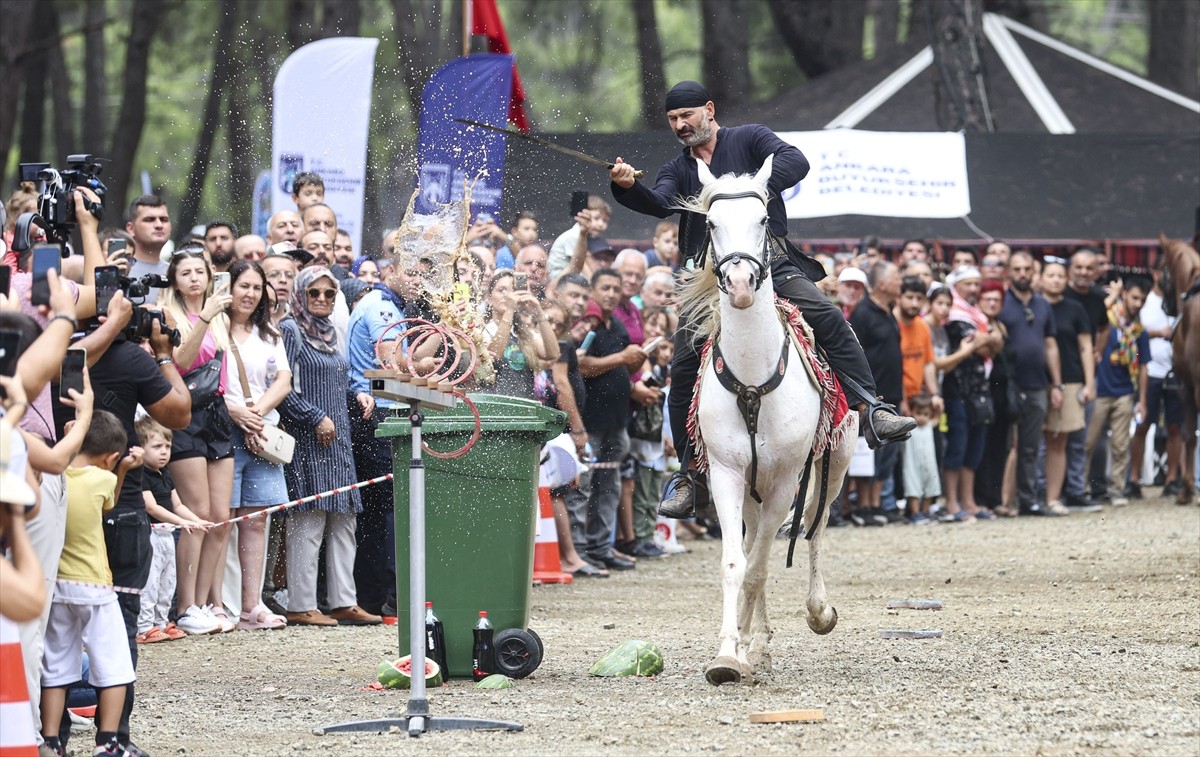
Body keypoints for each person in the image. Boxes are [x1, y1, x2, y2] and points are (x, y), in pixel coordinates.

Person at [608, 81, 914, 519]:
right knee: (682, 365)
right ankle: (691, 475)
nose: (680, 125)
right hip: (708, 275)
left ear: (709, 110)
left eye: (687, 116)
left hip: (771, 262)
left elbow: (797, 160)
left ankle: (871, 409)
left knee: (827, 315)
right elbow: (658, 202)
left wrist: (750, 187)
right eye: (673, 119)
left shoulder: (750, 137)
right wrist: (624, 187)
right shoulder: (680, 168)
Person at [279, 267, 381, 626]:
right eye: (314, 294)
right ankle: (301, 604)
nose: (322, 300)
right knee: (309, 522)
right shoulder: (290, 330)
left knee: (344, 519)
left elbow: (340, 375)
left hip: (339, 440)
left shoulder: (330, 332)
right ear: (300, 295)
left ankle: (344, 601)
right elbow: (283, 388)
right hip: (308, 438)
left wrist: (358, 394)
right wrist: (314, 416)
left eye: (329, 294)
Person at [40, 410, 140, 757]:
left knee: (56, 665)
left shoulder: (52, 476)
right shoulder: (104, 480)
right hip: (95, 586)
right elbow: (109, 501)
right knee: (114, 665)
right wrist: (123, 468)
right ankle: (108, 741)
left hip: (57, 587)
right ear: (110, 458)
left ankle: (51, 741)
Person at [158, 245, 238, 635]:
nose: (193, 278)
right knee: (197, 512)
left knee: (221, 515)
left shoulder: (221, 317)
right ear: (174, 279)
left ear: (210, 276)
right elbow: (181, 361)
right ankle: (186, 605)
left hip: (219, 413)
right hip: (185, 412)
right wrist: (204, 318)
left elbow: (225, 368)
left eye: (199, 271)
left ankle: (210, 601)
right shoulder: (170, 314)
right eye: (185, 272)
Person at [221, 260, 293, 631]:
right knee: (225, 519)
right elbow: (203, 380)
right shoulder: (214, 329)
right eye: (242, 286)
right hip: (224, 429)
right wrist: (238, 414)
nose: (249, 294)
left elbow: (283, 379)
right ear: (228, 287)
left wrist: (257, 414)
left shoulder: (270, 334)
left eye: (255, 287)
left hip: (262, 431)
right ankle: (222, 603)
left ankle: (252, 605)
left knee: (256, 519)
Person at [576, 270, 645, 570]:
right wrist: (621, 360)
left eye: (616, 289)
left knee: (610, 486)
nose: (611, 293)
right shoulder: (586, 326)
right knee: (584, 486)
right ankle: (580, 550)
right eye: (605, 287)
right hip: (589, 420)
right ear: (592, 290)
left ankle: (602, 546)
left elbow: (621, 368)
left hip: (618, 420)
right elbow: (579, 366)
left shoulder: (616, 325)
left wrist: (634, 364)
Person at [997, 251, 1065, 517]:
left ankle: (1028, 501)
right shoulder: (1001, 302)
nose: (1023, 274)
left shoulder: (1042, 304)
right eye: (1017, 269)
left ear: (1033, 272)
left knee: (1030, 446)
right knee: (1005, 445)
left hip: (1038, 385)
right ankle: (1001, 500)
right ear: (1009, 272)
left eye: (1027, 269)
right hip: (1008, 385)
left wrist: (1057, 384)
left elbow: (1051, 345)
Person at [135, 416, 209, 644]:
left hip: (167, 536)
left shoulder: (165, 474)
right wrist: (181, 522)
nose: (164, 452)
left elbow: (178, 504)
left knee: (168, 581)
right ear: (140, 447)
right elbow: (151, 506)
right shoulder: (141, 474)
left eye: (167, 446)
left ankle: (160, 621)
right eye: (157, 446)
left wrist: (196, 520)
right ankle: (144, 626)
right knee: (151, 582)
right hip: (151, 534)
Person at [1085, 278, 1151, 508]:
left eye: (1142, 300)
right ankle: (1080, 488)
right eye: (1134, 298)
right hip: (1100, 390)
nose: (1138, 304)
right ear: (1124, 295)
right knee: (1089, 442)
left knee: (1121, 445)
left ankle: (1117, 489)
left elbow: (1144, 367)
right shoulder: (1107, 322)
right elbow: (1091, 319)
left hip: (1125, 392)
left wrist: (1142, 400)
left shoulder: (1139, 332)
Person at [1040, 258, 1098, 513]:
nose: (1055, 280)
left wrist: (1089, 382)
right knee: (1032, 442)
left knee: (1060, 440)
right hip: (1036, 381)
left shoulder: (1074, 308)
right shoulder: (1034, 305)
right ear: (1041, 278)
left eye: (1059, 276)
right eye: (1050, 275)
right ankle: (1032, 495)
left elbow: (1086, 347)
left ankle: (1054, 498)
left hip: (1071, 379)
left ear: (1066, 281)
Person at [1128, 257, 1184, 499]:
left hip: (1176, 372)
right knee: (1142, 426)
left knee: (1175, 427)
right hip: (1148, 372)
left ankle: (1172, 478)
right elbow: (1132, 333)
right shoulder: (1145, 301)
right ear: (1155, 273)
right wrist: (1156, 333)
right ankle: (1133, 479)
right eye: (1165, 271)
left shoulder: (1182, 303)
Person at [483, 269, 559, 398]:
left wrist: (539, 311)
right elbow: (494, 355)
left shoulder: (522, 333)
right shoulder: (482, 330)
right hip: (494, 406)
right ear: (489, 298)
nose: (508, 295)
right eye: (502, 290)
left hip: (524, 407)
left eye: (513, 290)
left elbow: (552, 353)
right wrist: (510, 309)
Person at [901, 393, 941, 524]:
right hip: (913, 465)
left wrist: (937, 405)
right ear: (911, 411)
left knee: (930, 487)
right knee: (913, 487)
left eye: (925, 414)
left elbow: (938, 416)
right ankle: (915, 513)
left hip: (929, 465)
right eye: (918, 413)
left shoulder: (930, 425)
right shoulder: (909, 427)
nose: (922, 417)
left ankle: (925, 512)